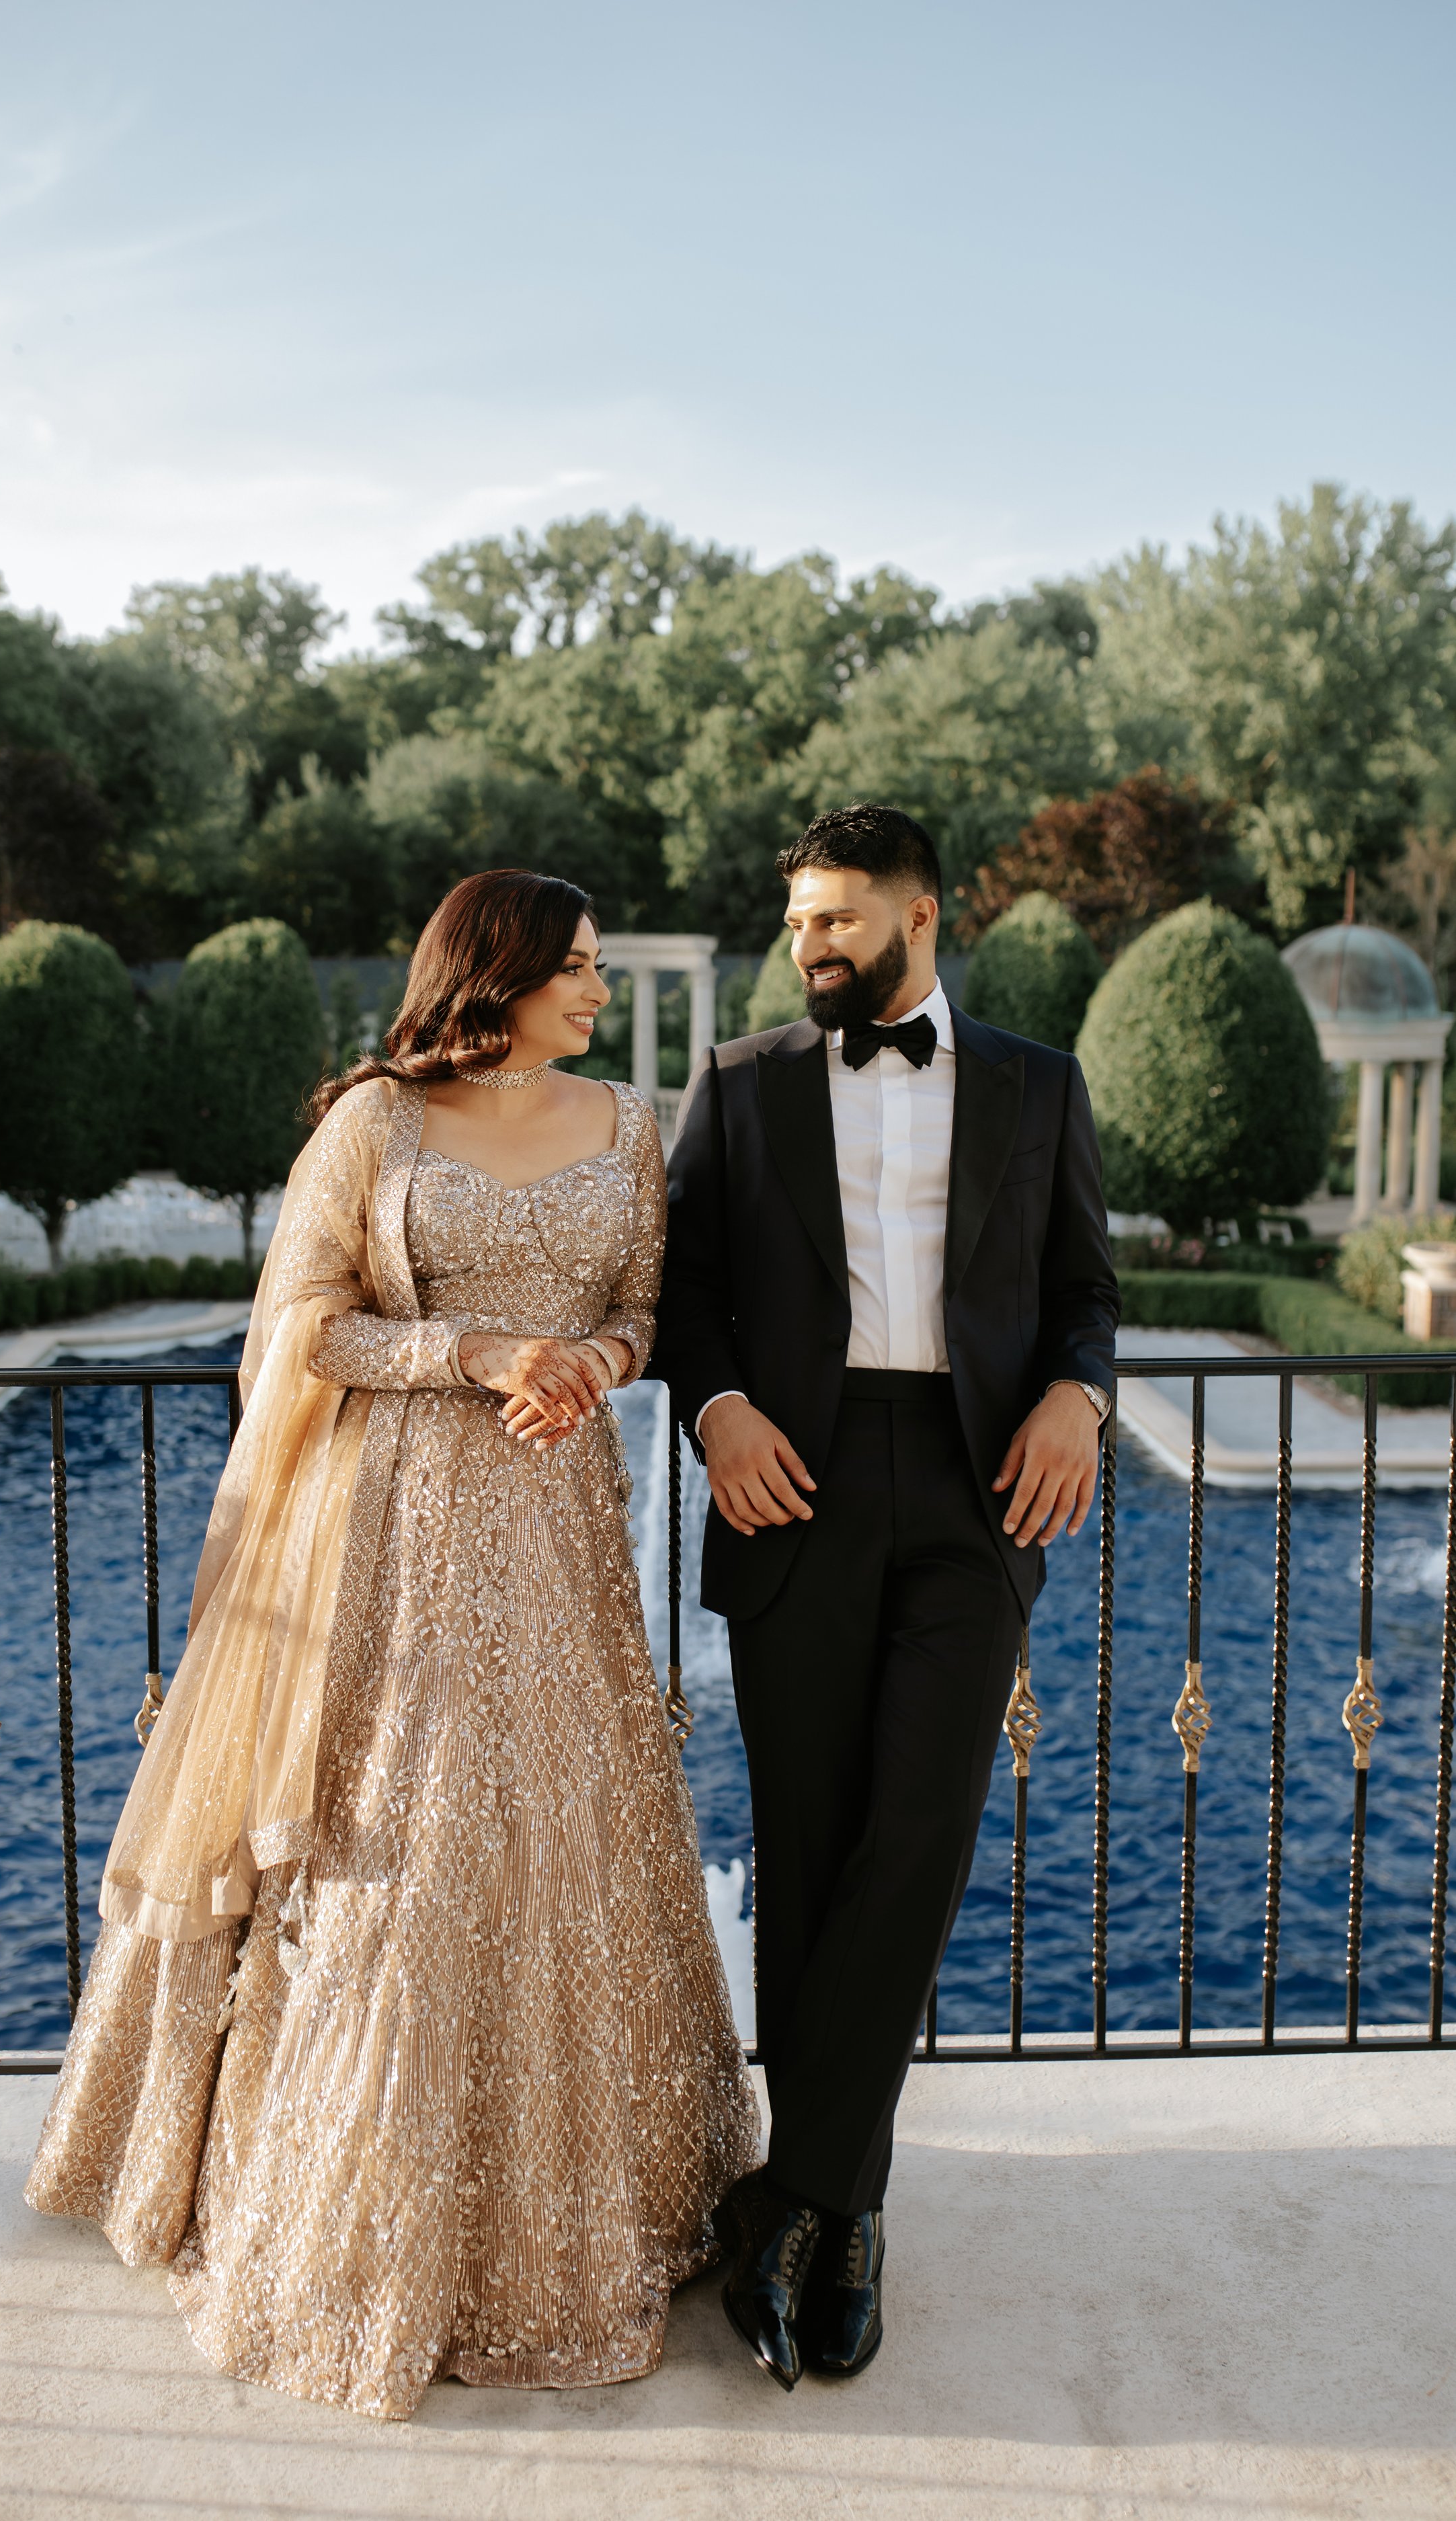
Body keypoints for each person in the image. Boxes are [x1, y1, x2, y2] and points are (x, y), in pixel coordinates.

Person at [27, 867, 759, 2420]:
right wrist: (475, 1347)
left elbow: (645, 1306)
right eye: (568, 968)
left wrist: (591, 1365)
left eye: (595, 970)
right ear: (487, 976)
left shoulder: (630, 1126)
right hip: (401, 1530)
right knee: (400, 1839)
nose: (590, 992)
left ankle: (578, 2211)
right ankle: (358, 2211)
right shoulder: (371, 1126)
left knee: (563, 1828)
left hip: (558, 1527)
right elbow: (297, 1333)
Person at [657, 802, 1118, 2391]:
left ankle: (806, 2201)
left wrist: (1080, 1395)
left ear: (920, 916)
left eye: (836, 920)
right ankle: (837, 2220)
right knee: (808, 1843)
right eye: (796, 923)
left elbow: (1084, 1297)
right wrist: (715, 1413)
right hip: (793, 1482)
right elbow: (681, 1292)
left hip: (980, 1491)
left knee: (918, 1833)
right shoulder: (739, 1083)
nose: (810, 947)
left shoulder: (1035, 1086)